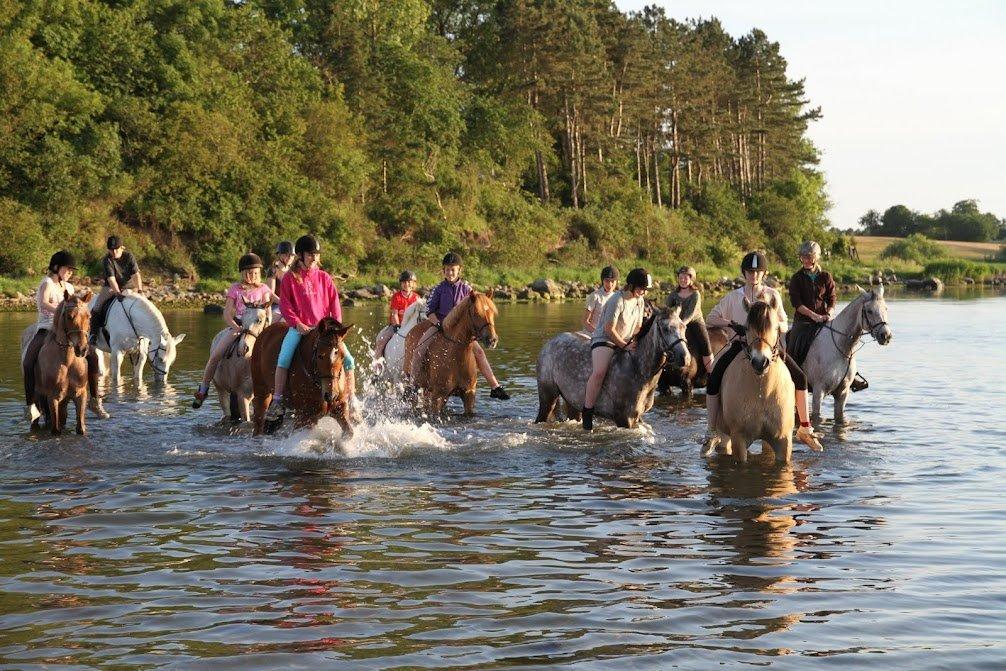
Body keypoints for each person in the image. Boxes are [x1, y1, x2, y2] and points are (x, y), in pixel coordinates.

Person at [703, 251, 821, 451]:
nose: (754, 275)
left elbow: (784, 323)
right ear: (744, 273)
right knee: (714, 378)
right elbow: (710, 319)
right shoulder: (733, 297)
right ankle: (712, 431)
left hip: (770, 348)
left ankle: (805, 428)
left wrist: (773, 327)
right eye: (750, 271)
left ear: (764, 273)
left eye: (758, 271)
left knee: (800, 378)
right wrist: (732, 324)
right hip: (741, 346)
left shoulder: (772, 295)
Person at [264, 235, 357, 423]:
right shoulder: (290, 278)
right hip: (301, 329)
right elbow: (285, 305)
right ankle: (278, 400)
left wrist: (335, 328)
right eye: (310, 254)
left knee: (349, 360)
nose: (314, 258)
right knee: (284, 358)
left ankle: (353, 399)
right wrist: (297, 323)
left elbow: (334, 303)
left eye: (316, 254)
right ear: (300, 255)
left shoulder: (324, 277)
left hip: (325, 331)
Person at [23, 251, 109, 422]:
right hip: (46, 327)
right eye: (67, 269)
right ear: (56, 268)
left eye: (72, 270)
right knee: (28, 361)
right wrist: (62, 311)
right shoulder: (47, 283)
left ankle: (94, 400)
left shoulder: (69, 288)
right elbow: (43, 303)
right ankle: (30, 405)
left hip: (68, 330)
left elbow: (76, 308)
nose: (70, 272)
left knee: (93, 356)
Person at [412, 252, 510, 400]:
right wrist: (437, 324)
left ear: (459, 270)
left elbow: (477, 305)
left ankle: (495, 386)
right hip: (441, 326)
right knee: (420, 348)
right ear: (443, 270)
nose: (450, 272)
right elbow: (429, 311)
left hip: (461, 331)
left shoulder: (466, 289)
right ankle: (413, 384)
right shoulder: (438, 289)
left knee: (480, 353)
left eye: (453, 270)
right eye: (447, 269)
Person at [191, 253, 276, 408]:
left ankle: (278, 394)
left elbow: (273, 304)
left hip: (258, 329)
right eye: (250, 273)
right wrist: (236, 327)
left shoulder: (264, 288)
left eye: (256, 273)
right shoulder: (235, 289)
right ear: (243, 273)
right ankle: (203, 388)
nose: (253, 276)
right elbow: (227, 312)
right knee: (216, 354)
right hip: (238, 326)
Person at [582, 268, 651, 431]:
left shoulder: (639, 300)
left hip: (626, 339)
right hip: (605, 338)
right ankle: (587, 411)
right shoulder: (616, 300)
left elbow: (638, 326)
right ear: (632, 285)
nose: (643, 292)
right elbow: (608, 328)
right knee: (599, 372)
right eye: (641, 289)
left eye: (645, 290)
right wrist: (624, 345)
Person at [787, 241, 836, 365]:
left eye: (809, 257)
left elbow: (832, 299)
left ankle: (851, 373)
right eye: (803, 257)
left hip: (824, 320)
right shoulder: (796, 278)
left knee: (842, 340)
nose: (806, 260)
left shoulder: (826, 277)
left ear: (816, 258)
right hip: (803, 321)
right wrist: (814, 316)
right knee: (793, 345)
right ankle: (792, 370)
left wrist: (829, 314)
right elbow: (797, 304)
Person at [91, 235, 143, 341]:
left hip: (129, 287)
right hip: (110, 288)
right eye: (111, 250)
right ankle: (93, 334)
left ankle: (147, 334)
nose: (114, 252)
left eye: (116, 249)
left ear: (122, 248)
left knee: (145, 305)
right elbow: (111, 279)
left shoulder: (129, 256)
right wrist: (118, 293)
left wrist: (140, 290)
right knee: (96, 307)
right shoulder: (107, 260)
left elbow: (136, 275)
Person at [666, 266, 714, 375]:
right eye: (680, 277)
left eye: (685, 278)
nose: (682, 280)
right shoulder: (674, 294)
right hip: (680, 324)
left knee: (705, 346)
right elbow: (666, 308)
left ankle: (711, 372)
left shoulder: (695, 294)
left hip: (695, 323)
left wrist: (682, 324)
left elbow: (690, 314)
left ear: (691, 279)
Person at [373, 270, 420, 360]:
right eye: (404, 282)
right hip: (396, 326)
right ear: (401, 284)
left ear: (414, 283)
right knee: (381, 341)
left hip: (411, 326)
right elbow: (394, 313)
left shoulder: (417, 298)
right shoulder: (396, 296)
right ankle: (377, 364)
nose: (406, 284)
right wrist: (397, 326)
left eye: (409, 282)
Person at [583, 266, 619, 332]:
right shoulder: (595, 296)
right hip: (592, 333)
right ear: (602, 281)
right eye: (607, 281)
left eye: (612, 281)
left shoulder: (617, 297)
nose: (610, 284)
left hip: (608, 333)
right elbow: (585, 322)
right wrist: (597, 333)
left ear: (616, 282)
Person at [267, 241, 294, 323]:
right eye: (286, 254)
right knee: (270, 324)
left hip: (292, 306)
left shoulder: (294, 271)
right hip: (277, 306)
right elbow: (270, 294)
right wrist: (284, 303)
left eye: (292, 255)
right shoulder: (273, 270)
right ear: (279, 255)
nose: (289, 257)